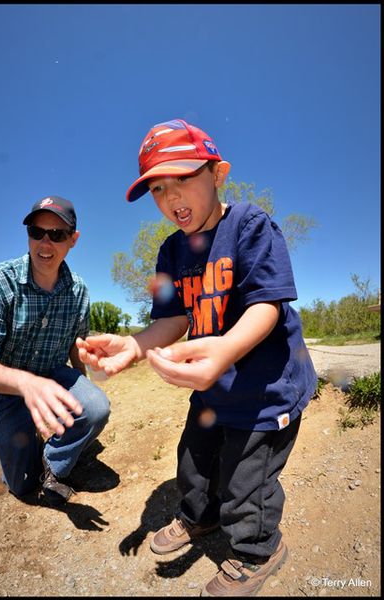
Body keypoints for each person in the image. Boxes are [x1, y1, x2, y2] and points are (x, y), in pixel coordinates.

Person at [76, 119, 317, 596]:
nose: (171, 197)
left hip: (266, 392)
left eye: (182, 178)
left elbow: (267, 306)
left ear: (218, 173)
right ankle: (198, 517)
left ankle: (258, 550)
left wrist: (225, 348)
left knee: (248, 479)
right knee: (195, 461)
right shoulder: (172, 251)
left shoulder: (250, 225)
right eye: (158, 189)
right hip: (212, 389)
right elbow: (173, 319)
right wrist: (136, 345)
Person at [0, 195, 110, 507]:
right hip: (8, 387)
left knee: (95, 407)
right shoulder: (0, 281)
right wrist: (27, 384)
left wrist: (83, 394)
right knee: (21, 488)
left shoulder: (79, 291)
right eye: (36, 232)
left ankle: (54, 466)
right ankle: (27, 454)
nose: (45, 243)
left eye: (57, 235)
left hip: (54, 376)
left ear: (73, 239)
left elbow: (75, 347)